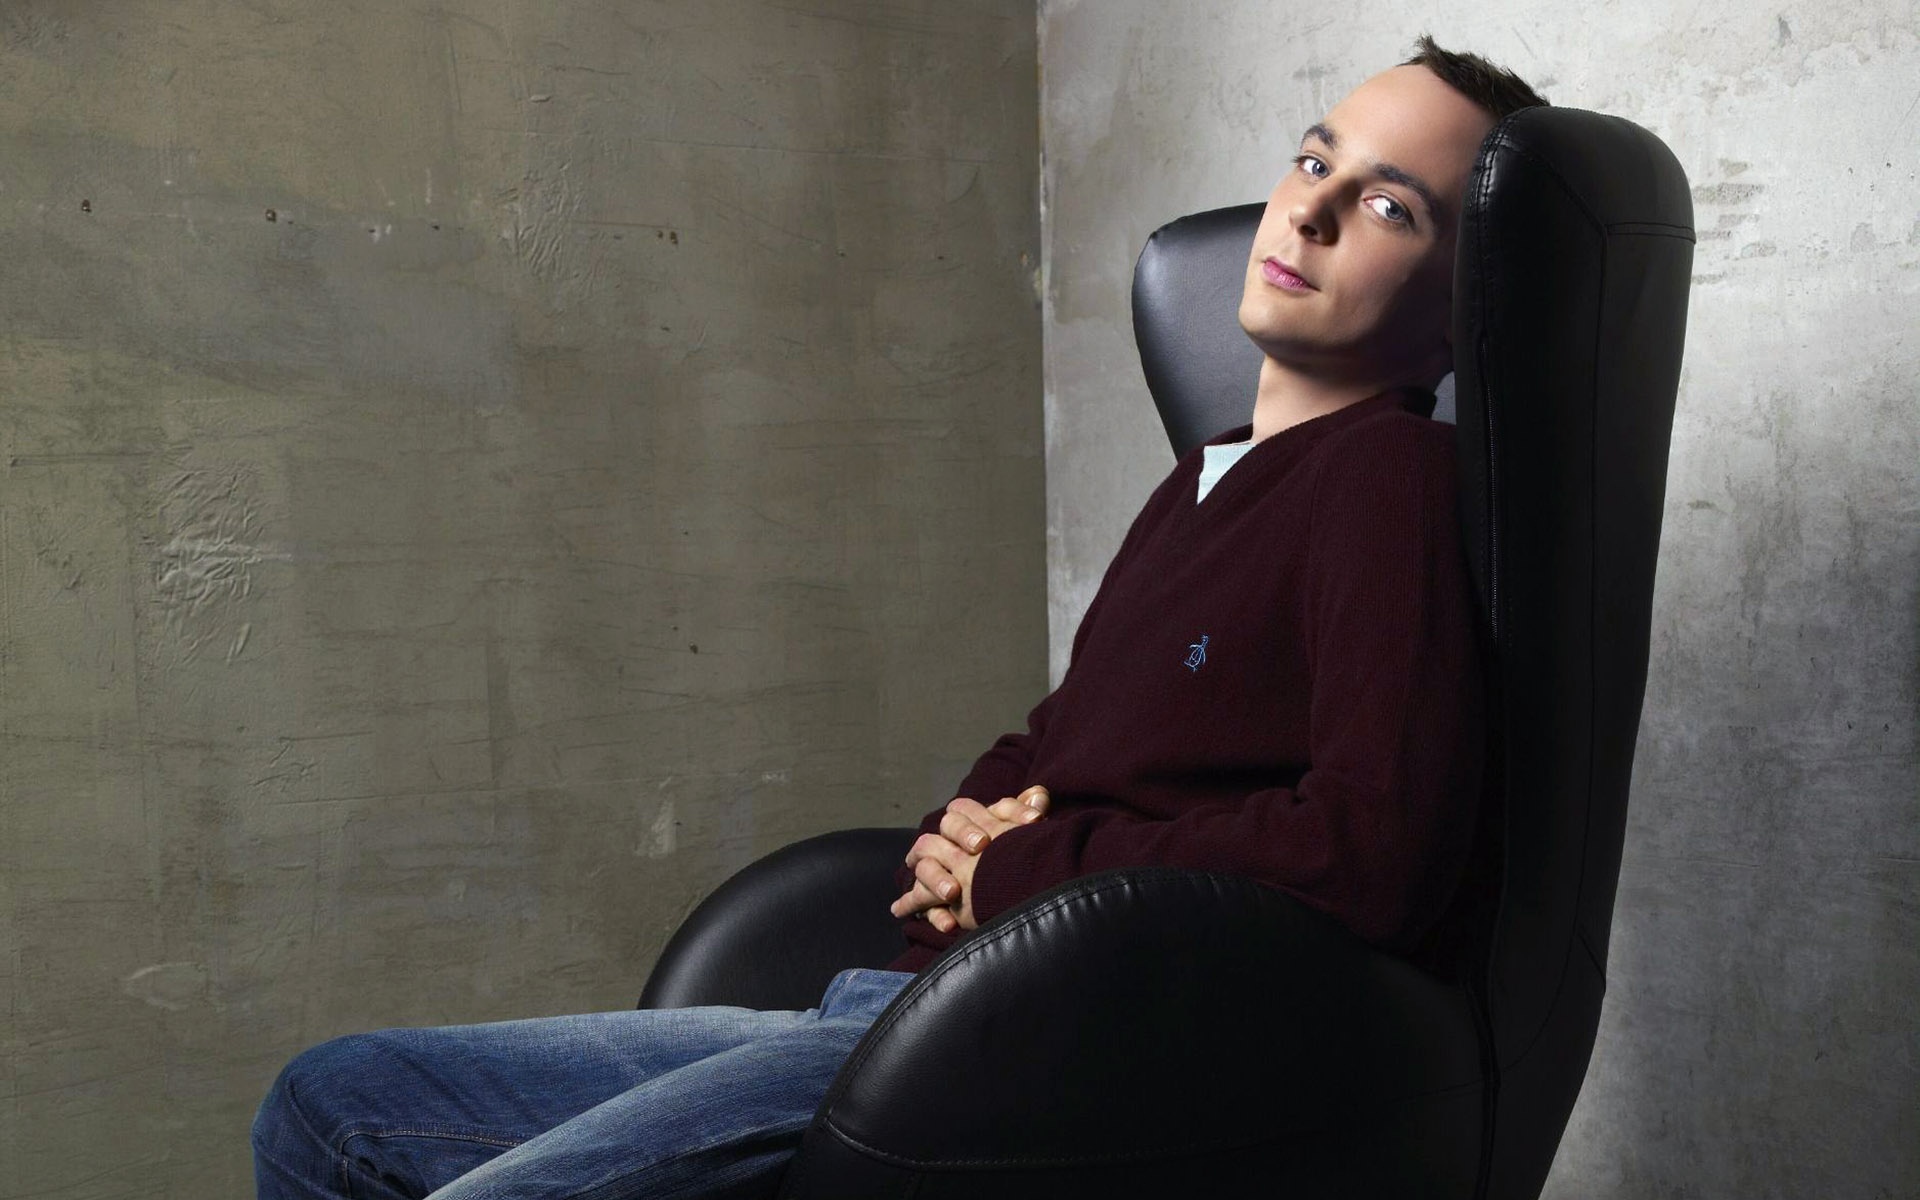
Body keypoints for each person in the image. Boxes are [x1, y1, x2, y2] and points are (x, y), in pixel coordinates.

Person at [251, 34, 1550, 1200]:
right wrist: (957, 838)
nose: (1310, 209)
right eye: (1314, 159)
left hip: (1049, 1058)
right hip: (912, 1010)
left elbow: (1374, 847)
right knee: (328, 1104)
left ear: (1457, 307)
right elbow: (1058, 745)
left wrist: (1019, 872)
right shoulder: (1201, 480)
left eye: (1388, 205)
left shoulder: (1385, 480)